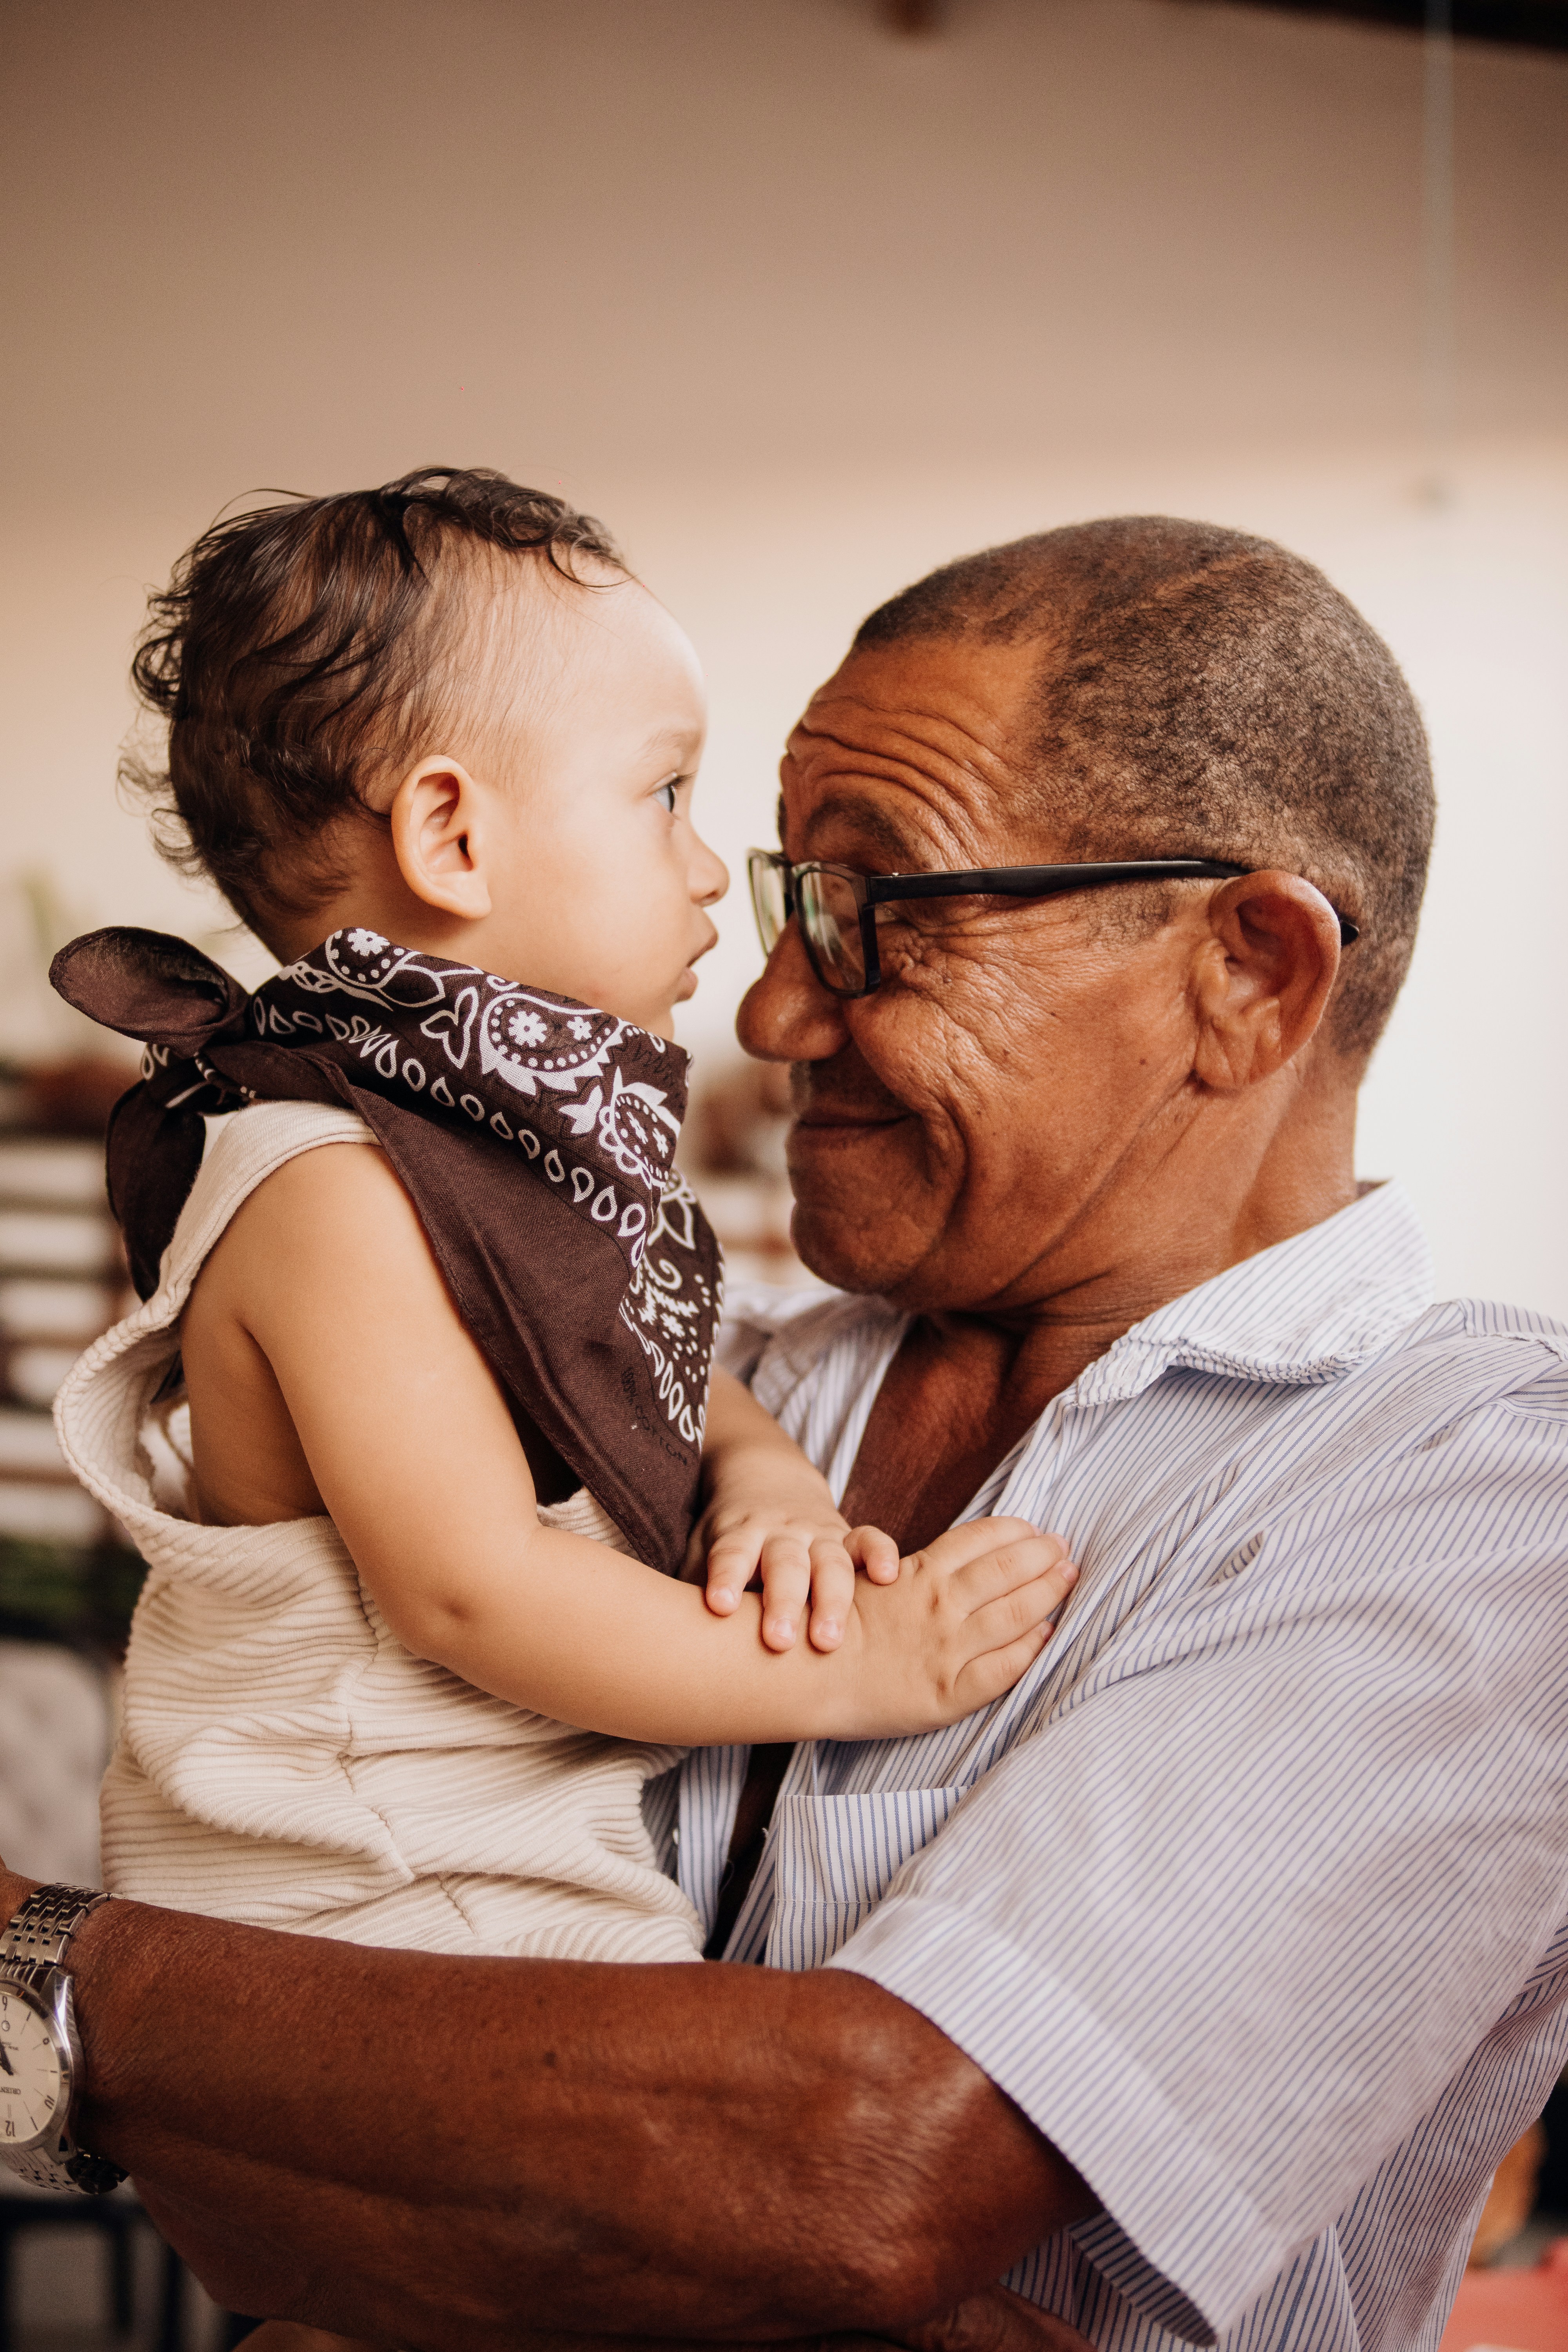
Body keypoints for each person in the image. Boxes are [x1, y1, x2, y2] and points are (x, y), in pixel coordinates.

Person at [4, 514, 1565, 2352]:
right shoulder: (687, 1355)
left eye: (875, 912)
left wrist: (56, 1969)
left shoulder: (1471, 1497)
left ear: (1247, 970)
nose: (764, 1007)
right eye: (770, 897)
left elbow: (850, 2172)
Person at [45, 468, 1071, 1971]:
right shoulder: (331, 1182)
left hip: (478, 1851)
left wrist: (767, 1482)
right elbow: (478, 1589)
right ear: (454, 836)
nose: (715, 869)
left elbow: (627, 1357)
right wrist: (866, 1667)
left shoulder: (473, 1140)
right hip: (374, 1887)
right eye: (665, 793)